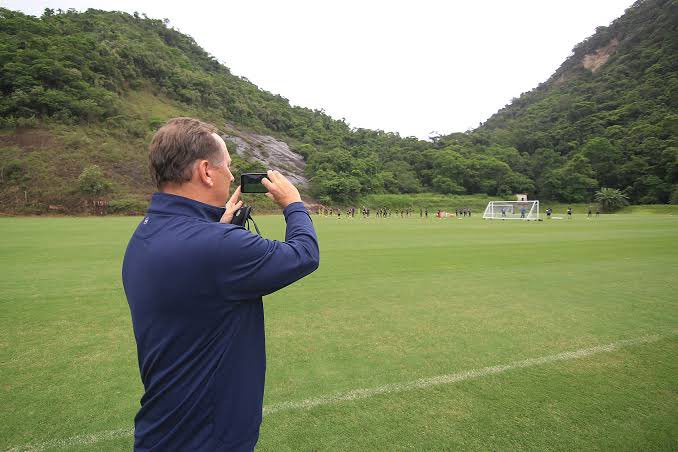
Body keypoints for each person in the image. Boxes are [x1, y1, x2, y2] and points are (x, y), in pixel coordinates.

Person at [122, 118, 319, 451]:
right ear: (206, 171)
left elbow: (198, 263)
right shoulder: (216, 247)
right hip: (207, 438)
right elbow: (304, 254)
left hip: (165, 429)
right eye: (227, 166)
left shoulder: (147, 230)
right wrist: (294, 204)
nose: (231, 175)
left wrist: (217, 224)